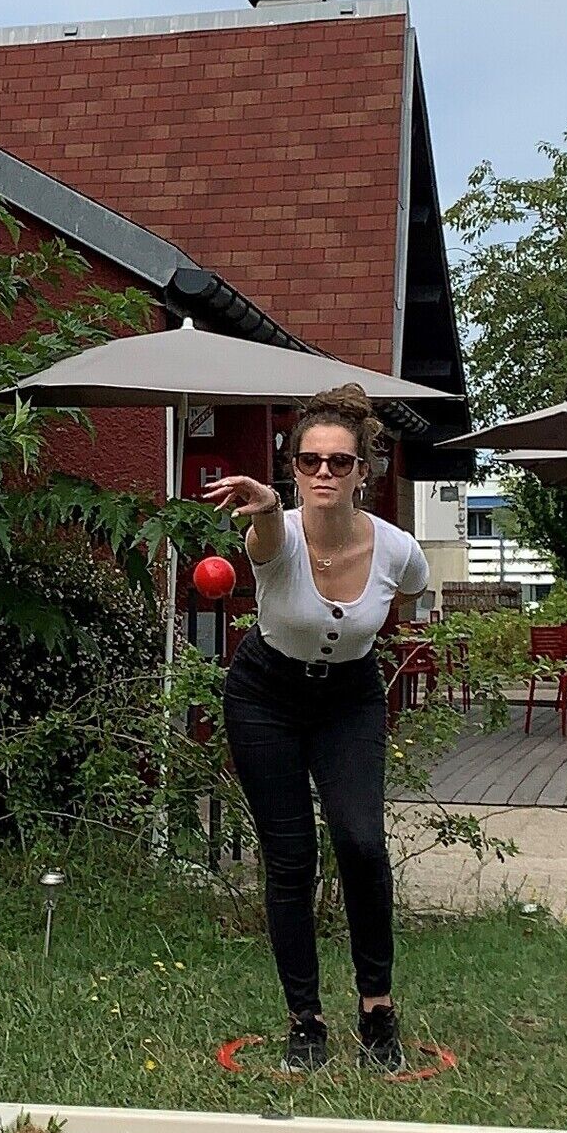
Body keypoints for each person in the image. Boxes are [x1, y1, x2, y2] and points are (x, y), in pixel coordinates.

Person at [202, 386, 432, 1076]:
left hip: (350, 701)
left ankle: (378, 1013)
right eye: (309, 462)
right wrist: (270, 506)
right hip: (264, 696)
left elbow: (415, 590)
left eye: (339, 462)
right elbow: (266, 538)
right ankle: (306, 1021)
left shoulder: (397, 549)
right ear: (293, 470)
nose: (323, 474)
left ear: (365, 469)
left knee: (361, 843)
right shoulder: (272, 534)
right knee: (291, 859)